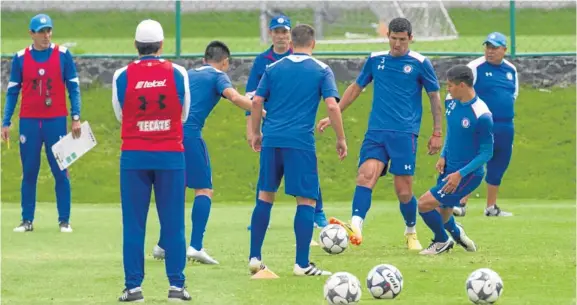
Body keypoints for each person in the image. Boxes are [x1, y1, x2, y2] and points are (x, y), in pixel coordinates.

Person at [318, 17, 442, 250]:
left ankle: (411, 231)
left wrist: (437, 132)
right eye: (393, 38)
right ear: (388, 37)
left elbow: (434, 96)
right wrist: (335, 114)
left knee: (403, 190)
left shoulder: (420, 63)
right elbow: (356, 87)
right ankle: (355, 226)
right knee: (365, 175)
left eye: (402, 40)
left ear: (410, 39)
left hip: (405, 133)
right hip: (376, 131)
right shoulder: (376, 60)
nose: (397, 44)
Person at [247, 24, 346, 276]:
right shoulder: (322, 70)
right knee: (307, 200)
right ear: (313, 43)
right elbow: (333, 107)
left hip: (271, 140)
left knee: (265, 196)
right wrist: (340, 139)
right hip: (299, 143)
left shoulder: (272, 67)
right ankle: (302, 264)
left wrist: (256, 132)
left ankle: (254, 257)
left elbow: (257, 100)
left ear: (291, 42)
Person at [152, 41, 257, 264]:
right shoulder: (218, 76)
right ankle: (196, 246)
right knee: (204, 189)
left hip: (167, 133)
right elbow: (235, 98)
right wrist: (262, 111)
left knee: (175, 190)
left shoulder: (186, 74)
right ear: (225, 62)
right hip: (189, 135)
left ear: (203, 59)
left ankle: (163, 244)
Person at [112, 19, 191, 302]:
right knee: (174, 224)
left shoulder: (121, 75)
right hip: (171, 156)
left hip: (134, 157)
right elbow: (184, 114)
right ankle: (177, 287)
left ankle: (133, 288)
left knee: (134, 224)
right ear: (161, 45)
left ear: (136, 45)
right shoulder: (179, 73)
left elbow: (120, 114)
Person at [245, 14, 329, 230]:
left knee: (308, 171)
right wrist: (253, 128)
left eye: (285, 32)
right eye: (277, 31)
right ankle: (259, 217)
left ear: (291, 36)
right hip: (272, 124)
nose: (281, 36)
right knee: (267, 175)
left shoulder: (301, 59)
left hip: (298, 126)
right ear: (271, 34)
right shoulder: (262, 62)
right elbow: (252, 98)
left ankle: (318, 212)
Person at [2, 13, 81, 233]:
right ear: (31, 34)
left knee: (61, 170)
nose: (46, 35)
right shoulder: (20, 58)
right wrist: (5, 121)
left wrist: (76, 117)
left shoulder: (63, 55)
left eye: (48, 30)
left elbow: (74, 88)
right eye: (41, 31)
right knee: (29, 171)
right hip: (29, 121)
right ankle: (27, 220)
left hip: (56, 121)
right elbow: (12, 92)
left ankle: (64, 220)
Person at [417, 64, 493, 255]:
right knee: (442, 213)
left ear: (462, 85)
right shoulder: (451, 101)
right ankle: (456, 232)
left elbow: (486, 153)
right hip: (449, 168)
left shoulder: (482, 114)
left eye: (450, 85)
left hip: (467, 174)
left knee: (424, 204)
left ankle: (441, 241)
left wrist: (460, 174)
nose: (447, 89)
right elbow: (452, 132)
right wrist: (443, 155)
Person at [453, 32, 517, 217]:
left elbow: (513, 95)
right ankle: (460, 202)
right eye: (488, 47)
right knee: (474, 161)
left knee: (499, 163)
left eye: (495, 48)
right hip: (482, 124)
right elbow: (461, 92)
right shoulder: (475, 67)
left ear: (504, 50)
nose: (490, 51)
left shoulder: (511, 71)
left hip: (505, 125)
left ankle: (491, 207)